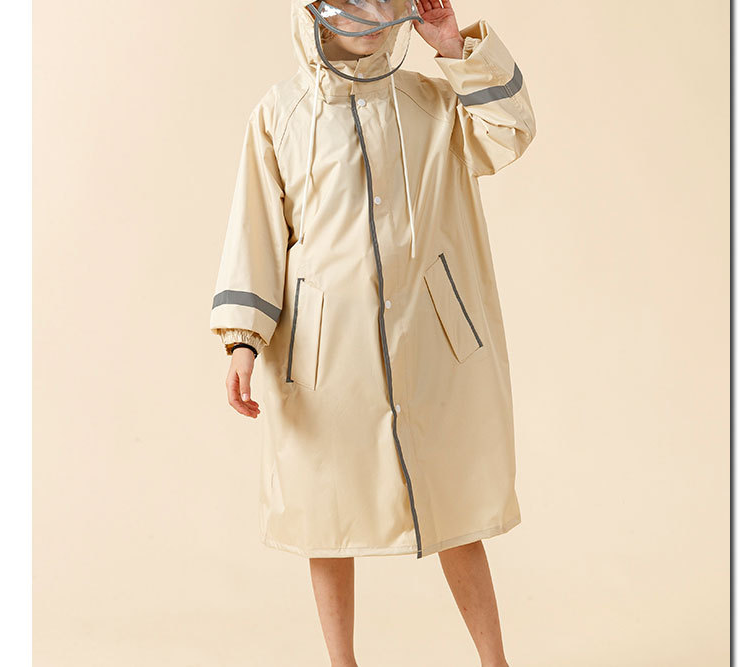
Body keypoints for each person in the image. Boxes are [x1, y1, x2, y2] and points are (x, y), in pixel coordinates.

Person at [209, 1, 536, 664]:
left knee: (455, 500)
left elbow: (509, 130)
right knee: (325, 513)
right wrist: (243, 341)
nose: (368, 11)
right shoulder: (280, 114)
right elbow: (256, 231)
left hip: (432, 344)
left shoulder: (432, 103)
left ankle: (495, 661)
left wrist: (452, 46)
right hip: (325, 353)